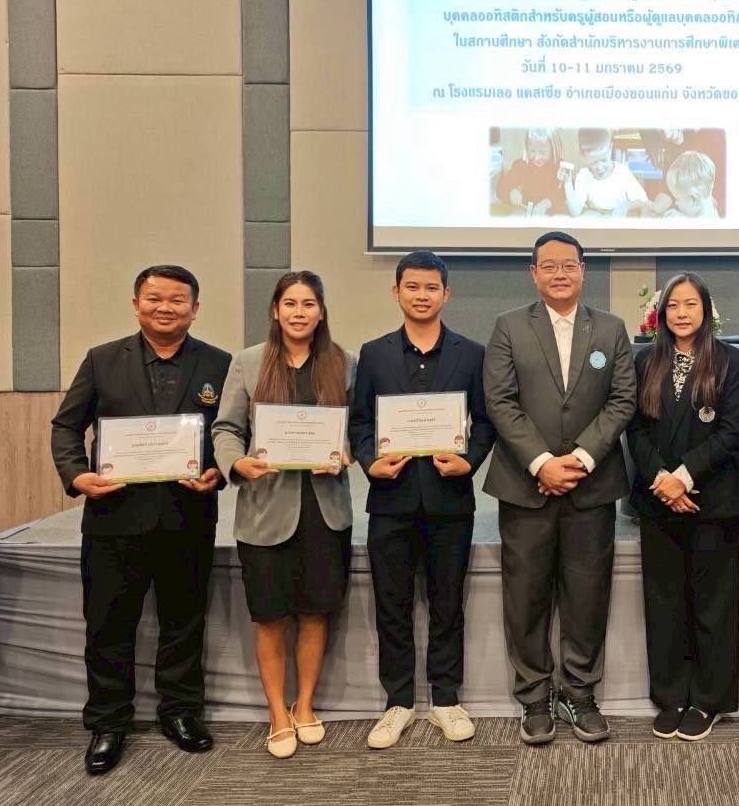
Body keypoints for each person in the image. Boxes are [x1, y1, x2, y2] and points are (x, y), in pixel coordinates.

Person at [51, 265, 230, 776]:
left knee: (184, 622)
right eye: (154, 298)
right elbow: (66, 426)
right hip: (113, 519)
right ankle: (108, 722)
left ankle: (181, 712)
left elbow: (233, 432)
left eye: (177, 300)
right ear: (136, 304)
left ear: (195, 308)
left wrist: (219, 471)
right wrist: (76, 474)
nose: (165, 308)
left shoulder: (219, 363)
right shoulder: (102, 360)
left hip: (187, 517)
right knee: (108, 625)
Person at [484, 230, 637, 744]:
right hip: (526, 485)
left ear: (583, 271)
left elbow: (622, 399)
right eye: (548, 265)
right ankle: (534, 697)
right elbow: (500, 401)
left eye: (568, 265)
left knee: (587, 596)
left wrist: (582, 458)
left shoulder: (611, 329)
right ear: (533, 273)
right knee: (525, 596)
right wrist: (542, 462)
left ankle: (580, 693)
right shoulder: (508, 327)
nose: (559, 273)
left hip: (592, 487)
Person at [349, 250, 496, 750]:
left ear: (446, 294)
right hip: (390, 498)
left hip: (449, 498)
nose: (421, 295)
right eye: (412, 286)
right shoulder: (374, 353)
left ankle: (446, 699)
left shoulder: (471, 353)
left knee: (447, 602)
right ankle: (398, 702)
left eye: (431, 287)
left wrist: (469, 461)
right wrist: (368, 460)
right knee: (391, 604)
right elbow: (360, 421)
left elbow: (486, 422)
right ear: (396, 292)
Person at [212, 271, 355, 759]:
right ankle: (276, 712)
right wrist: (236, 463)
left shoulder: (343, 362)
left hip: (324, 510)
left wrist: (345, 453)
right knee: (271, 617)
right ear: (275, 310)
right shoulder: (247, 362)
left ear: (321, 311)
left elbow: (356, 428)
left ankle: (305, 704)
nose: (299, 312)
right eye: (290, 303)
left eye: (308, 303)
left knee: (315, 612)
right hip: (265, 509)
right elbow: (226, 428)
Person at [627, 273, 739, 741]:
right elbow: (634, 428)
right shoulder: (644, 361)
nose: (681, 313)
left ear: (706, 310)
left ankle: (708, 700)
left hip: (711, 500)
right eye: (673, 305)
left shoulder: (732, 361)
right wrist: (662, 479)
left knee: (713, 605)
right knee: (664, 603)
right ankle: (671, 696)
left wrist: (684, 476)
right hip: (658, 500)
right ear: (661, 313)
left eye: (690, 304)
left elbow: (732, 431)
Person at [565, 128, 649, 216]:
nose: (600, 167)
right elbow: (575, 213)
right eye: (593, 163)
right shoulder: (583, 176)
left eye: (604, 160)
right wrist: (567, 184)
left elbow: (643, 202)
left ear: (610, 148)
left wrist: (626, 206)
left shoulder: (621, 172)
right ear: (582, 156)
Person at [495, 128, 571, 216]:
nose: (537, 157)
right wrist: (510, 192)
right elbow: (501, 188)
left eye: (543, 152)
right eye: (532, 151)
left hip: (554, 214)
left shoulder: (560, 166)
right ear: (526, 148)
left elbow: (565, 192)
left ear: (554, 149)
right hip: (529, 213)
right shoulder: (522, 164)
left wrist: (548, 202)